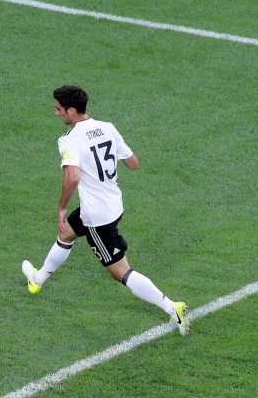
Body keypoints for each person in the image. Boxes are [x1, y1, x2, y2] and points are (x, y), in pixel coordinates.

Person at [22, 84, 189, 336]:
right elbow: (133, 163)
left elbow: (73, 177)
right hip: (114, 204)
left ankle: (171, 307)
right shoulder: (108, 128)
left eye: (59, 110)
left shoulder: (69, 140)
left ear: (72, 110)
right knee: (66, 233)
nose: (56, 114)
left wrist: (61, 208)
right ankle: (38, 280)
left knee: (120, 272)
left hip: (96, 217)